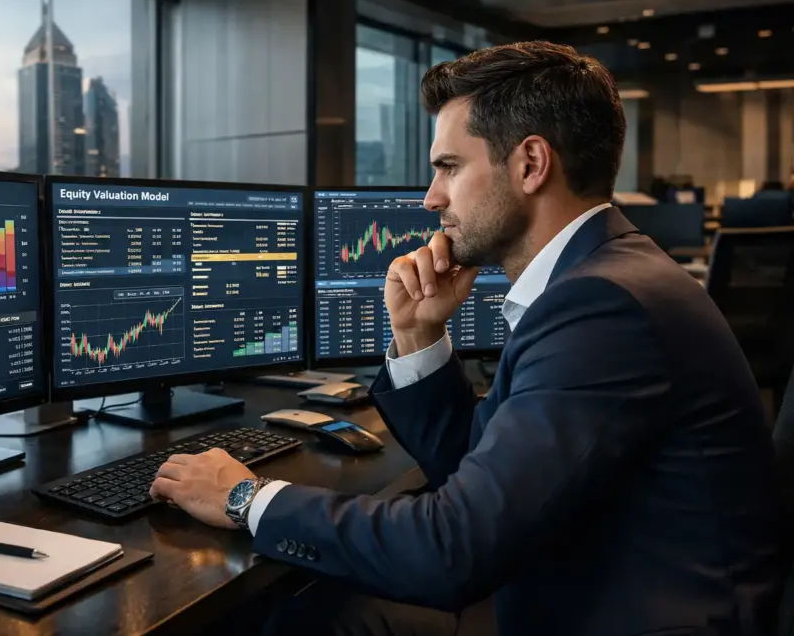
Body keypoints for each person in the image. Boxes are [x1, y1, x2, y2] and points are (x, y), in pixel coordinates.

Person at [150, 41, 788, 635]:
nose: (431, 198)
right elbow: (477, 474)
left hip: (614, 614)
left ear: (531, 164)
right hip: (579, 583)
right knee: (323, 610)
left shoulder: (601, 307)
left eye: (449, 168)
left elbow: (451, 549)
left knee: (304, 619)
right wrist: (418, 334)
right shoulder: (606, 274)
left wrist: (246, 496)